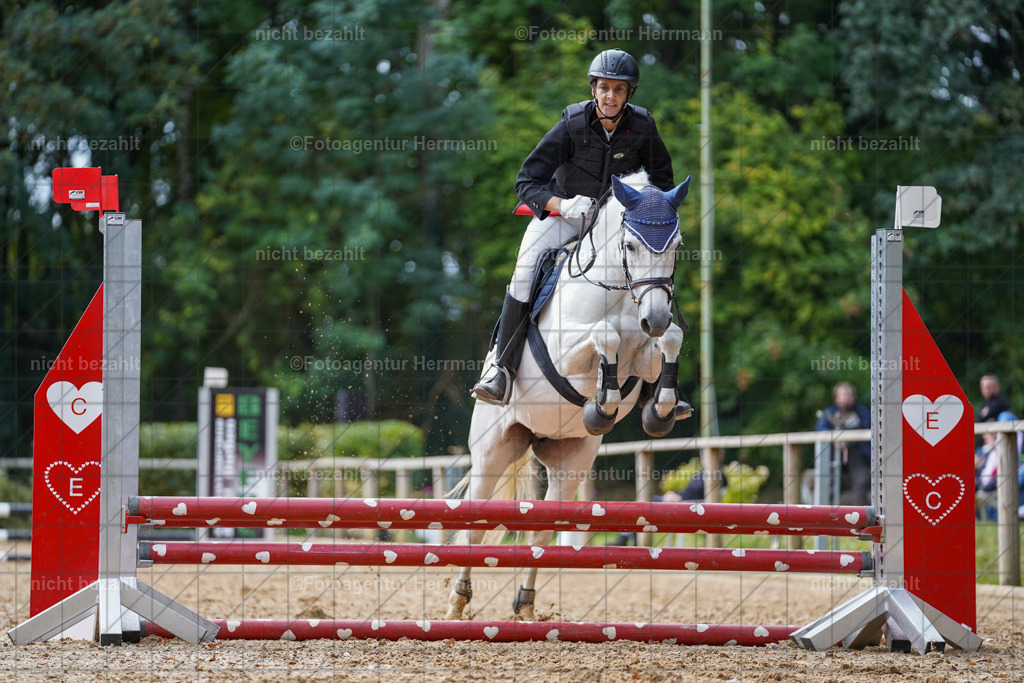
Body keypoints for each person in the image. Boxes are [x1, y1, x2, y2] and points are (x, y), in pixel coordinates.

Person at [471, 48, 685, 412]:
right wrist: (562, 204)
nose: (610, 96)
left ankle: (658, 388)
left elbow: (663, 183)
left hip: (616, 223)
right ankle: (501, 370)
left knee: (654, 272)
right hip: (564, 216)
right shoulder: (571, 124)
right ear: (594, 89)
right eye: (604, 88)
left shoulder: (643, 126)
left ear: (629, 94)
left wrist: (646, 213)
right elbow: (526, 182)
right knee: (524, 273)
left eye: (619, 90)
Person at [815, 382, 872, 506]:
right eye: (842, 395)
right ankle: (824, 517)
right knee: (825, 481)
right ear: (836, 398)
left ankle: (860, 517)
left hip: (858, 456)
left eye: (848, 395)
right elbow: (820, 431)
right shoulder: (829, 414)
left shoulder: (863, 414)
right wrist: (837, 437)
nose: (846, 398)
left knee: (861, 480)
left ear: (854, 397)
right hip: (834, 455)